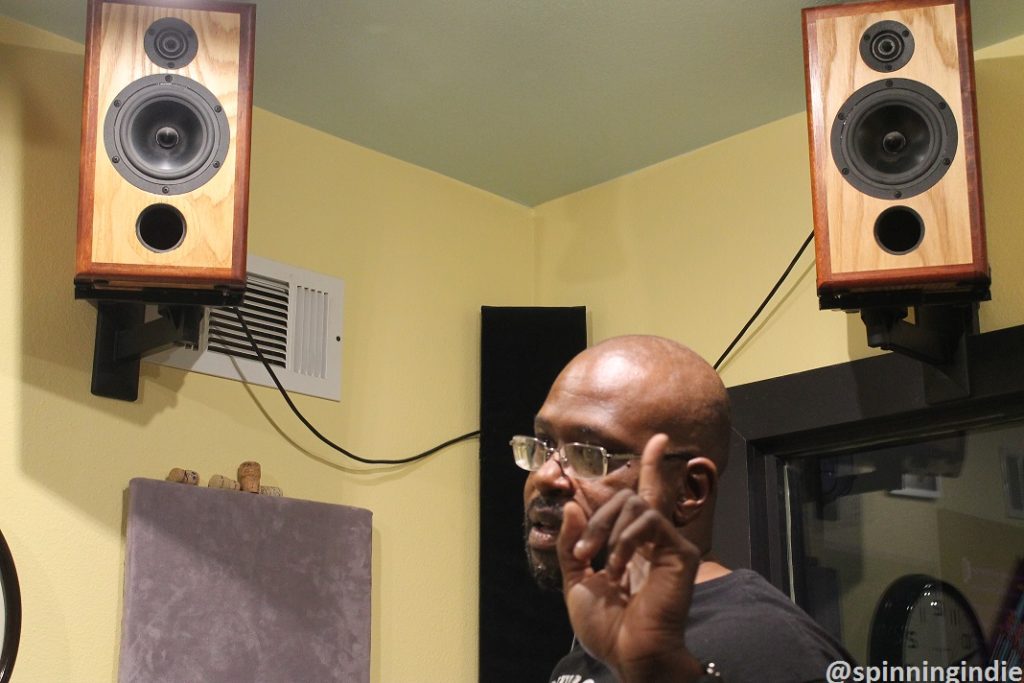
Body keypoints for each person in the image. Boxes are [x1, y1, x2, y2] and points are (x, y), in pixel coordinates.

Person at [514, 335, 852, 682]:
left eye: (589, 454)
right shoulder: (582, 658)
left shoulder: (774, 649)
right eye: (544, 444)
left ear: (689, 490)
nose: (546, 476)